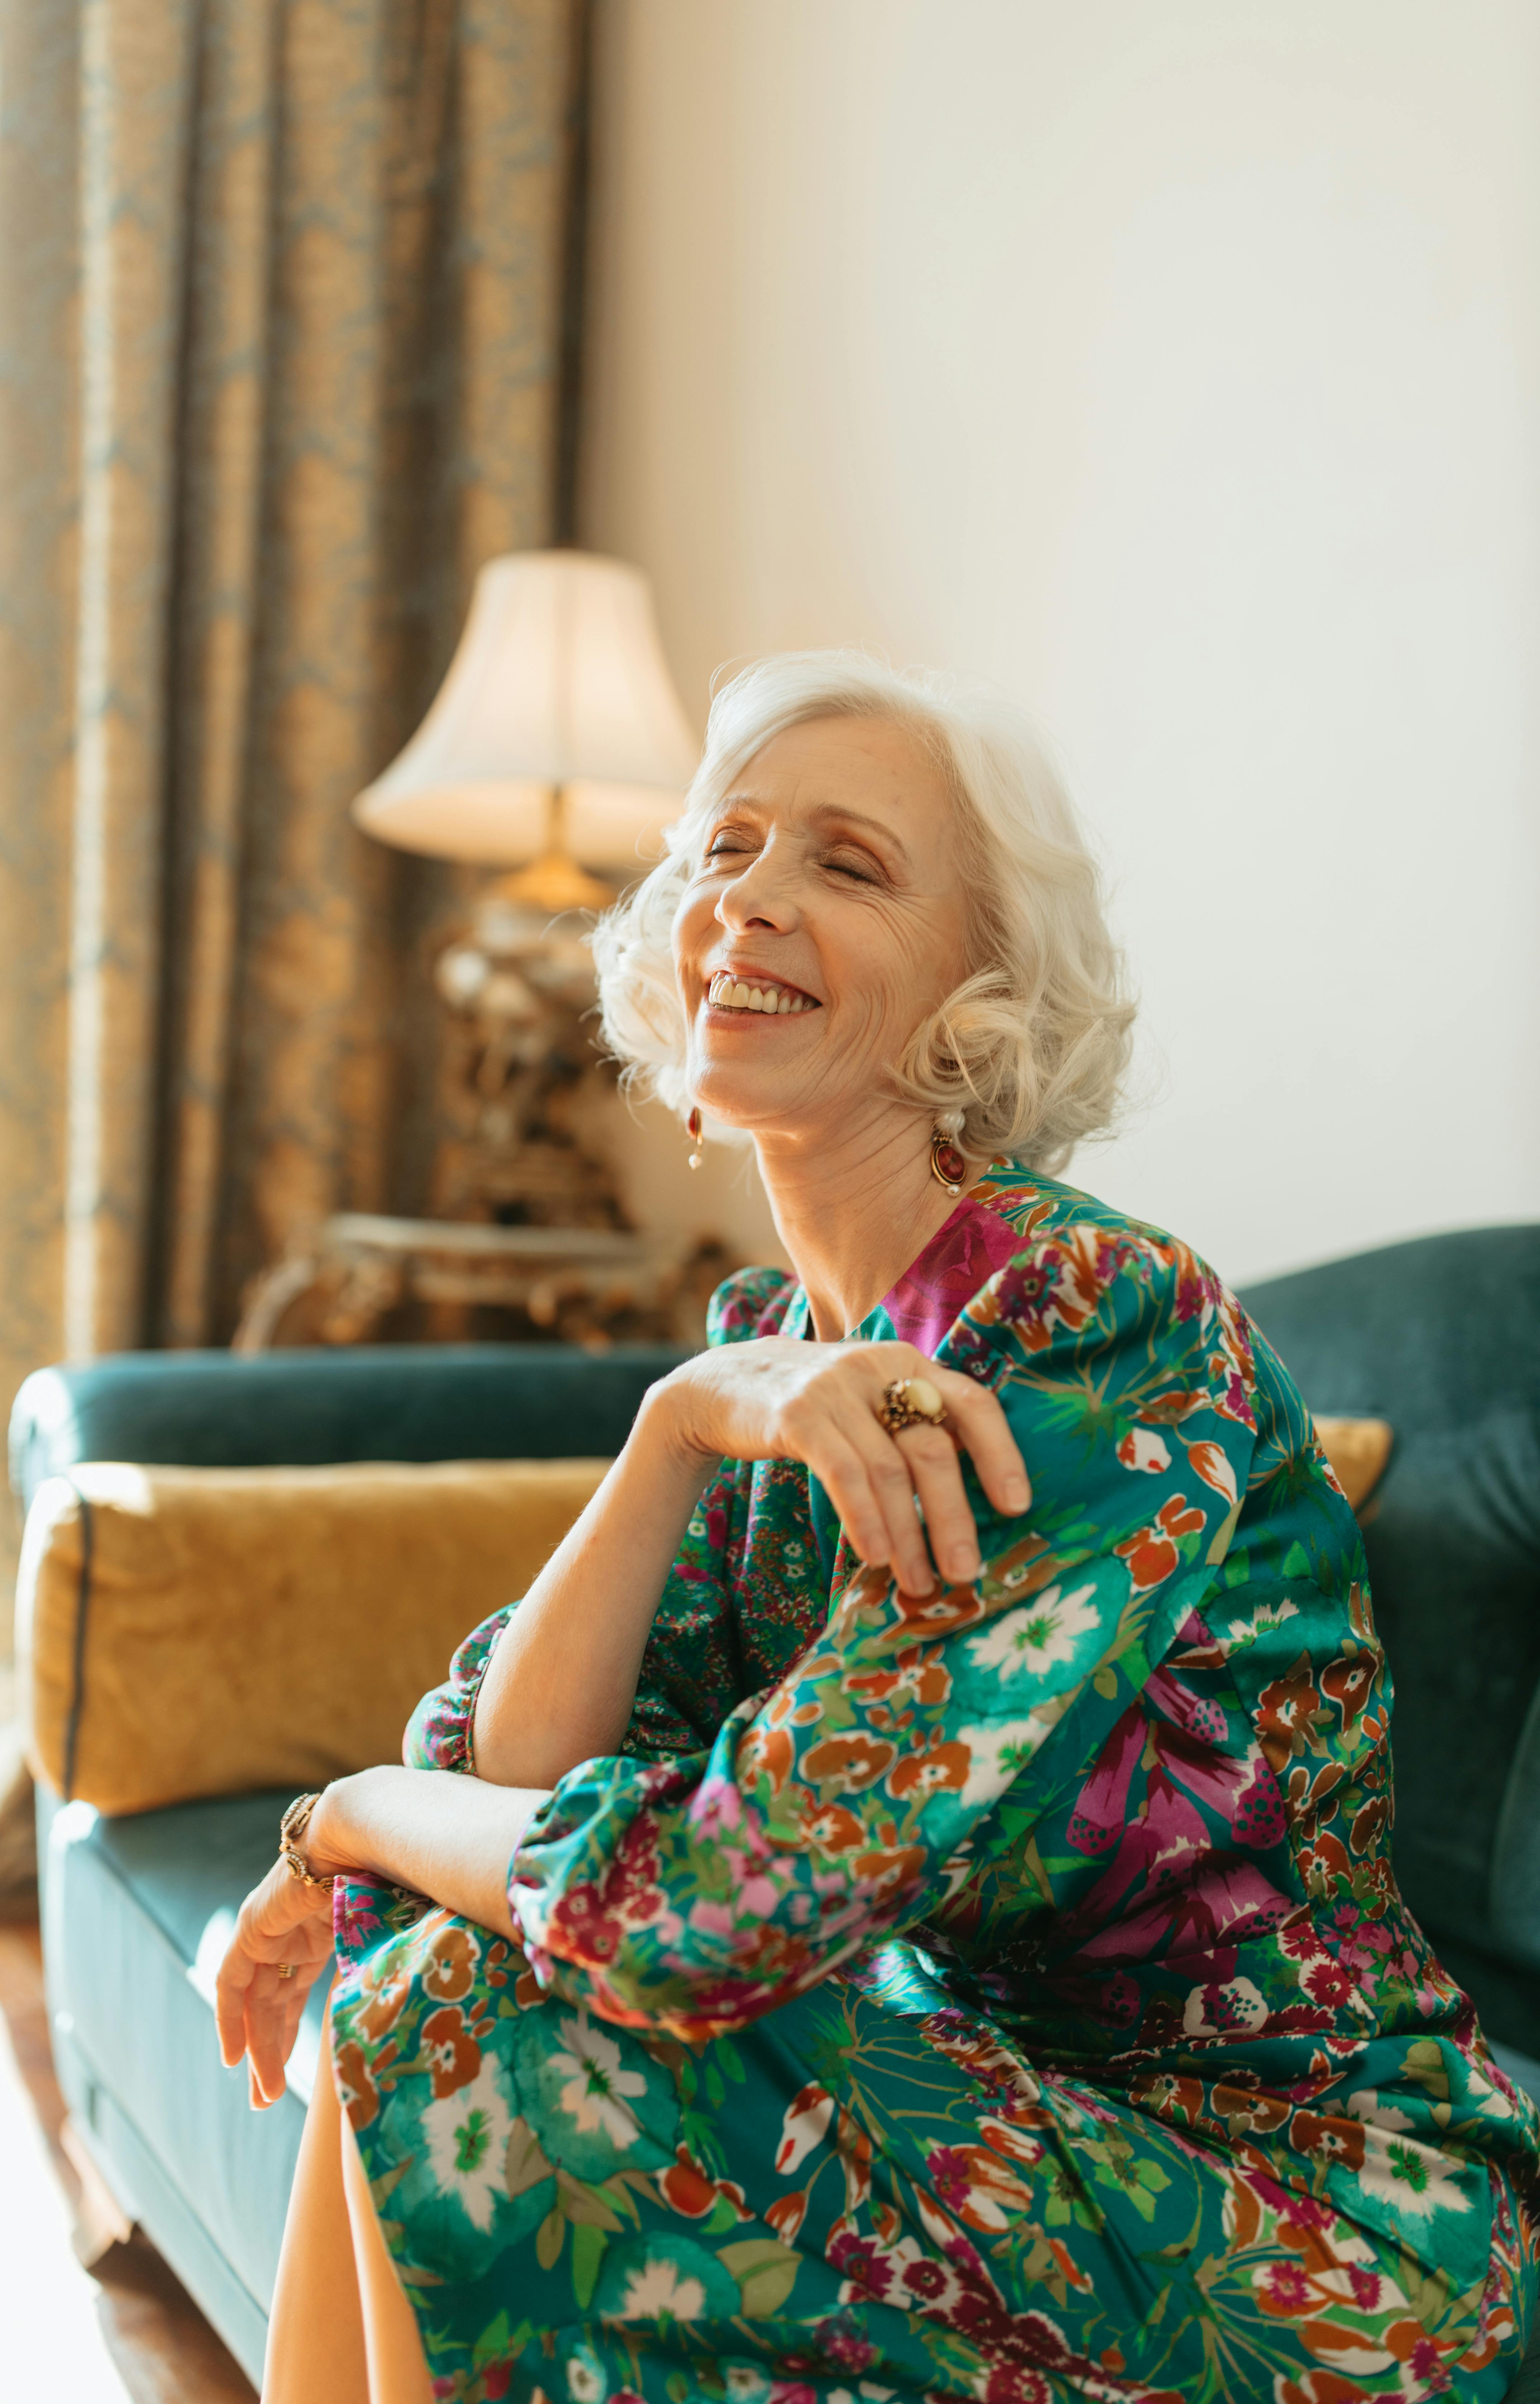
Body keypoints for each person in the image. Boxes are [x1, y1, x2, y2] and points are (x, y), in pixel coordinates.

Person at [217, 653, 1538, 2404]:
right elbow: (516, 1752)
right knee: (447, 1967)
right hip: (1003, 2126)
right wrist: (673, 1423)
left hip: (1308, 2227)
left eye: (846, 865)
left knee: (459, 2002)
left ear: (977, 998)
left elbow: (701, 1909)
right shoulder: (776, 1356)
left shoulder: (1080, 1321)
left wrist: (351, 1825)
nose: (748, 897)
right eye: (724, 850)